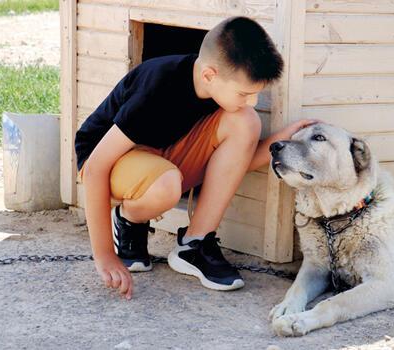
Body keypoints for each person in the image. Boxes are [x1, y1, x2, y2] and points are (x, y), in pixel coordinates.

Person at [74, 16, 318, 300]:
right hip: (109, 159)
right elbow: (95, 168)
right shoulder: (158, 88)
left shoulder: (216, 91)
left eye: (255, 94)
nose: (251, 101)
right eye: (244, 93)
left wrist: (282, 140)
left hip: (163, 159)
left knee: (246, 121)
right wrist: (104, 256)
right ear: (209, 75)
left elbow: (228, 168)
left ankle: (194, 244)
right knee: (166, 184)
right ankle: (129, 218)